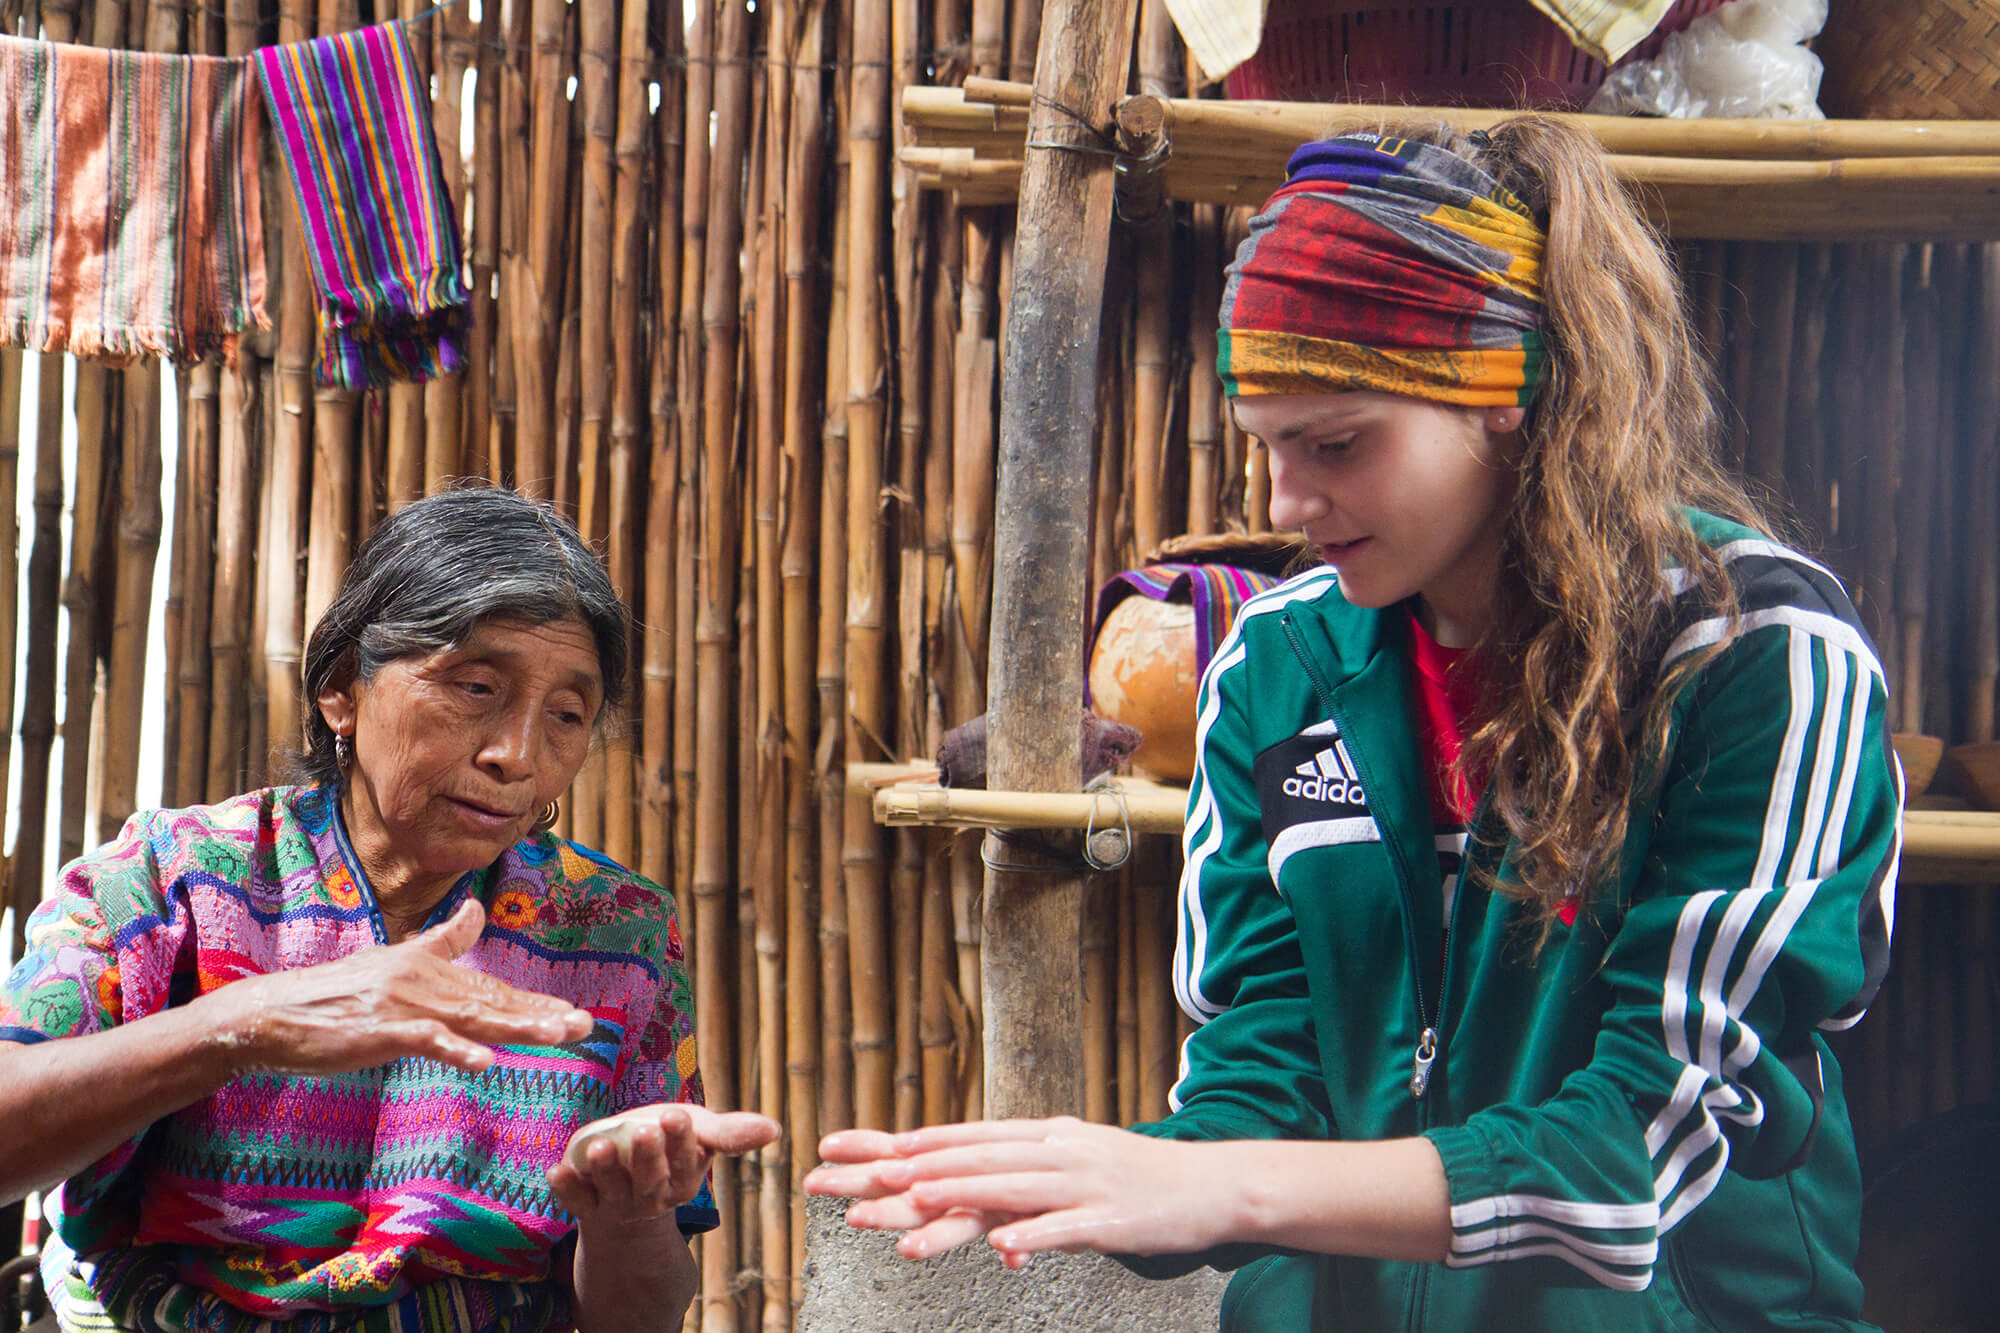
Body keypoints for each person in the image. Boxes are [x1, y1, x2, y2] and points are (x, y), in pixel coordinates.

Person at [805, 118, 1897, 1331]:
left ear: (1510, 400)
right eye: (1268, 445)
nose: (1287, 501)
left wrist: (1208, 1181)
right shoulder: (1276, 668)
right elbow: (1262, 1073)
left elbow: (1630, 1159)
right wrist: (1077, 1183)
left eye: (1337, 443)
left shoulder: (1754, 662)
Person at [0, 487, 777, 1333]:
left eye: (566, 716)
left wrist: (624, 1211)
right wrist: (240, 1023)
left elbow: (637, 1319)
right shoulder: (172, 880)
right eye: (476, 685)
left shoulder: (616, 936)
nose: (517, 754)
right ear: (342, 689)